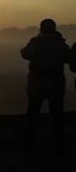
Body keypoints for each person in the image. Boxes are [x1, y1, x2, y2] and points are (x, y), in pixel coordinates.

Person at [21, 18, 70, 154]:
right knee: (57, 115)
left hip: (36, 83)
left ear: (41, 29)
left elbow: (25, 53)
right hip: (55, 83)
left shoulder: (36, 42)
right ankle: (59, 145)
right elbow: (68, 58)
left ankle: (28, 144)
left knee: (32, 114)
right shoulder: (60, 43)